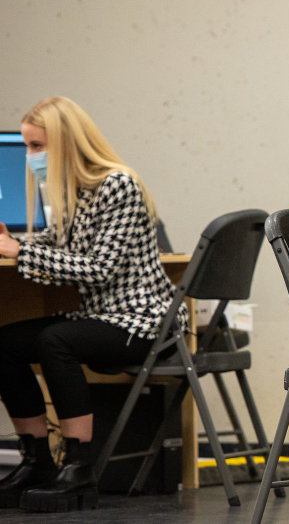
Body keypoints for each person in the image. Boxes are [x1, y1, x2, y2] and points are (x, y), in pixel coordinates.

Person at [0, 97, 188, 513]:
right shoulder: (73, 192)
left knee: (55, 340)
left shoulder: (118, 184)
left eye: (35, 147)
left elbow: (99, 268)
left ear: (67, 143)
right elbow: (55, 244)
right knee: (5, 344)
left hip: (142, 319)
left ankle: (79, 466)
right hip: (100, 315)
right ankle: (37, 462)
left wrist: (19, 251)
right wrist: (16, 245)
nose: (30, 157)